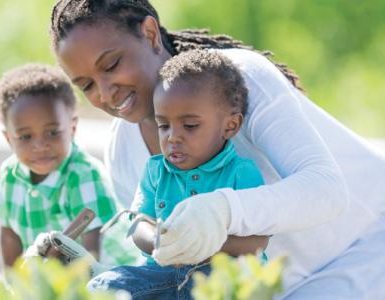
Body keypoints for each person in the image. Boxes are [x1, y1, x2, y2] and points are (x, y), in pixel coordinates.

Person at [49, 1, 385, 298]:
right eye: (86, 85)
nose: (104, 92)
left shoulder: (236, 80)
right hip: (276, 282)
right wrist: (88, 278)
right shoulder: (124, 149)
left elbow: (327, 190)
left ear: (150, 34)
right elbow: (168, 261)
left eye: (112, 64)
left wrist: (223, 210)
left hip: (376, 246)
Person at [88, 50, 269, 299]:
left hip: (219, 275)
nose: (173, 137)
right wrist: (157, 242)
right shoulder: (155, 171)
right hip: (164, 273)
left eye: (190, 126)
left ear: (230, 125)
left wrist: (199, 247)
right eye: (164, 126)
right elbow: (140, 223)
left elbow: (256, 242)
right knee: (101, 285)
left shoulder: (241, 172)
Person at [0, 63, 138, 269]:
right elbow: (9, 236)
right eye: (26, 136)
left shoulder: (83, 174)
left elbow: (92, 247)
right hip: (53, 271)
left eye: (52, 132)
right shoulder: (9, 175)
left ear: (72, 128)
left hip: (108, 272)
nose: (40, 146)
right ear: (9, 138)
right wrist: (16, 286)